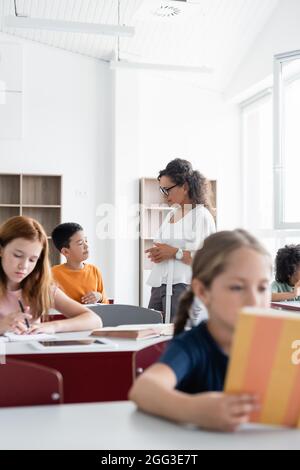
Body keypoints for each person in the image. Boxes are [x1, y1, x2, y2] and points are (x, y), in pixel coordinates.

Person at [130, 229, 272, 432]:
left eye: (262, 288)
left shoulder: (279, 344)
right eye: (237, 288)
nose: (254, 300)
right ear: (203, 292)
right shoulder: (192, 346)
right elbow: (144, 390)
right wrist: (197, 410)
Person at [0, 216, 102, 335]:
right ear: (1, 250)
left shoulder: (40, 286)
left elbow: (94, 320)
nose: (24, 266)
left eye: (33, 259)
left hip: (31, 351)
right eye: (17, 255)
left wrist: (53, 326)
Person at [146, 158, 216, 322]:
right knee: (152, 335)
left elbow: (205, 261)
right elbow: (164, 246)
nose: (164, 196)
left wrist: (173, 253)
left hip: (183, 287)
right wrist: (159, 252)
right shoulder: (172, 213)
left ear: (185, 186)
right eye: (162, 190)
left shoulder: (201, 216)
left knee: (178, 337)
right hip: (160, 284)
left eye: (167, 190)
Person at [51, 223, 108, 305]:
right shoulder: (53, 274)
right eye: (81, 243)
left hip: (92, 317)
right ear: (65, 251)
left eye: (86, 241)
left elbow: (106, 303)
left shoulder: (94, 271)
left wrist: (99, 297)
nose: (86, 246)